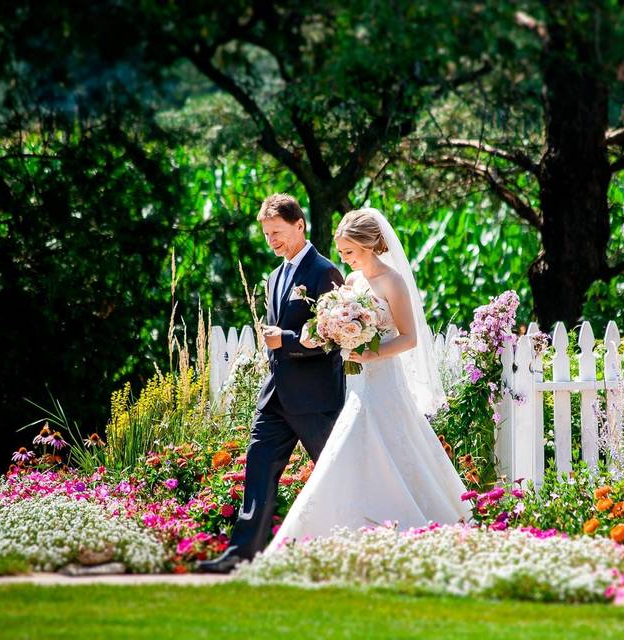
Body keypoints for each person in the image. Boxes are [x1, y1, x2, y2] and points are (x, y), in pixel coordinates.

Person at [264, 208, 470, 551]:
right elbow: (327, 330)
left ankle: (403, 521)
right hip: (355, 383)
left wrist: (373, 353)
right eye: (342, 253)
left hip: (384, 380)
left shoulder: (392, 282)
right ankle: (345, 527)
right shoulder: (351, 282)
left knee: (388, 446)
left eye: (350, 252)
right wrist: (326, 333)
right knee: (352, 452)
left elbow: (409, 338)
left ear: (372, 245)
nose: (345, 260)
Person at [198, 193, 345, 573]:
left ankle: (354, 545)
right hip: (276, 397)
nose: (271, 241)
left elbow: (335, 338)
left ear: (299, 225)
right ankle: (242, 554)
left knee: (335, 474)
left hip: (315, 399)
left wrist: (288, 340)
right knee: (258, 470)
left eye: (276, 232)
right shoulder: (275, 276)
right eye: (266, 234)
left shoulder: (325, 272)